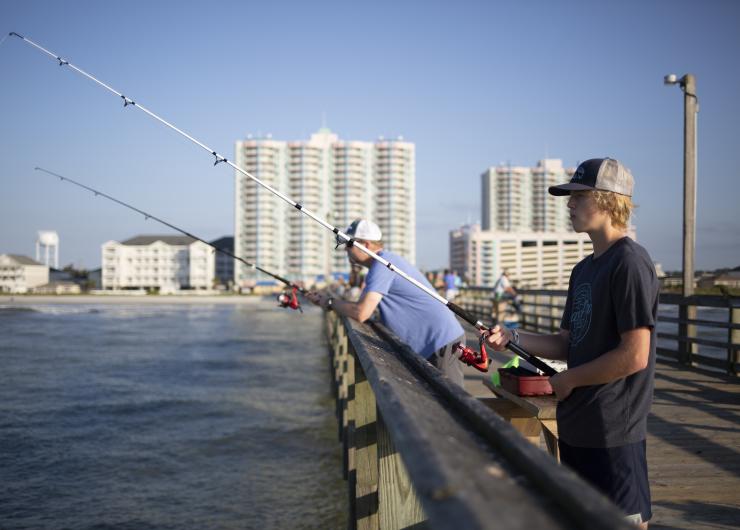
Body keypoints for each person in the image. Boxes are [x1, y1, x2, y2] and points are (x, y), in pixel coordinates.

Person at [483, 158, 659, 528]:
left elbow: (635, 355)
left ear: (609, 200)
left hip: (614, 429)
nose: (569, 204)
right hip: (577, 424)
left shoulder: (629, 263)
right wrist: (513, 337)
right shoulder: (583, 269)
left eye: (578, 196)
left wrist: (571, 379)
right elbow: (566, 342)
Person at [307, 219, 466, 387]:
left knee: (452, 406)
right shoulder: (384, 262)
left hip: (441, 341)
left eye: (349, 244)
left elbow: (361, 312)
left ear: (366, 245)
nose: (346, 250)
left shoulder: (382, 265)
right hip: (434, 342)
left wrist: (328, 302)